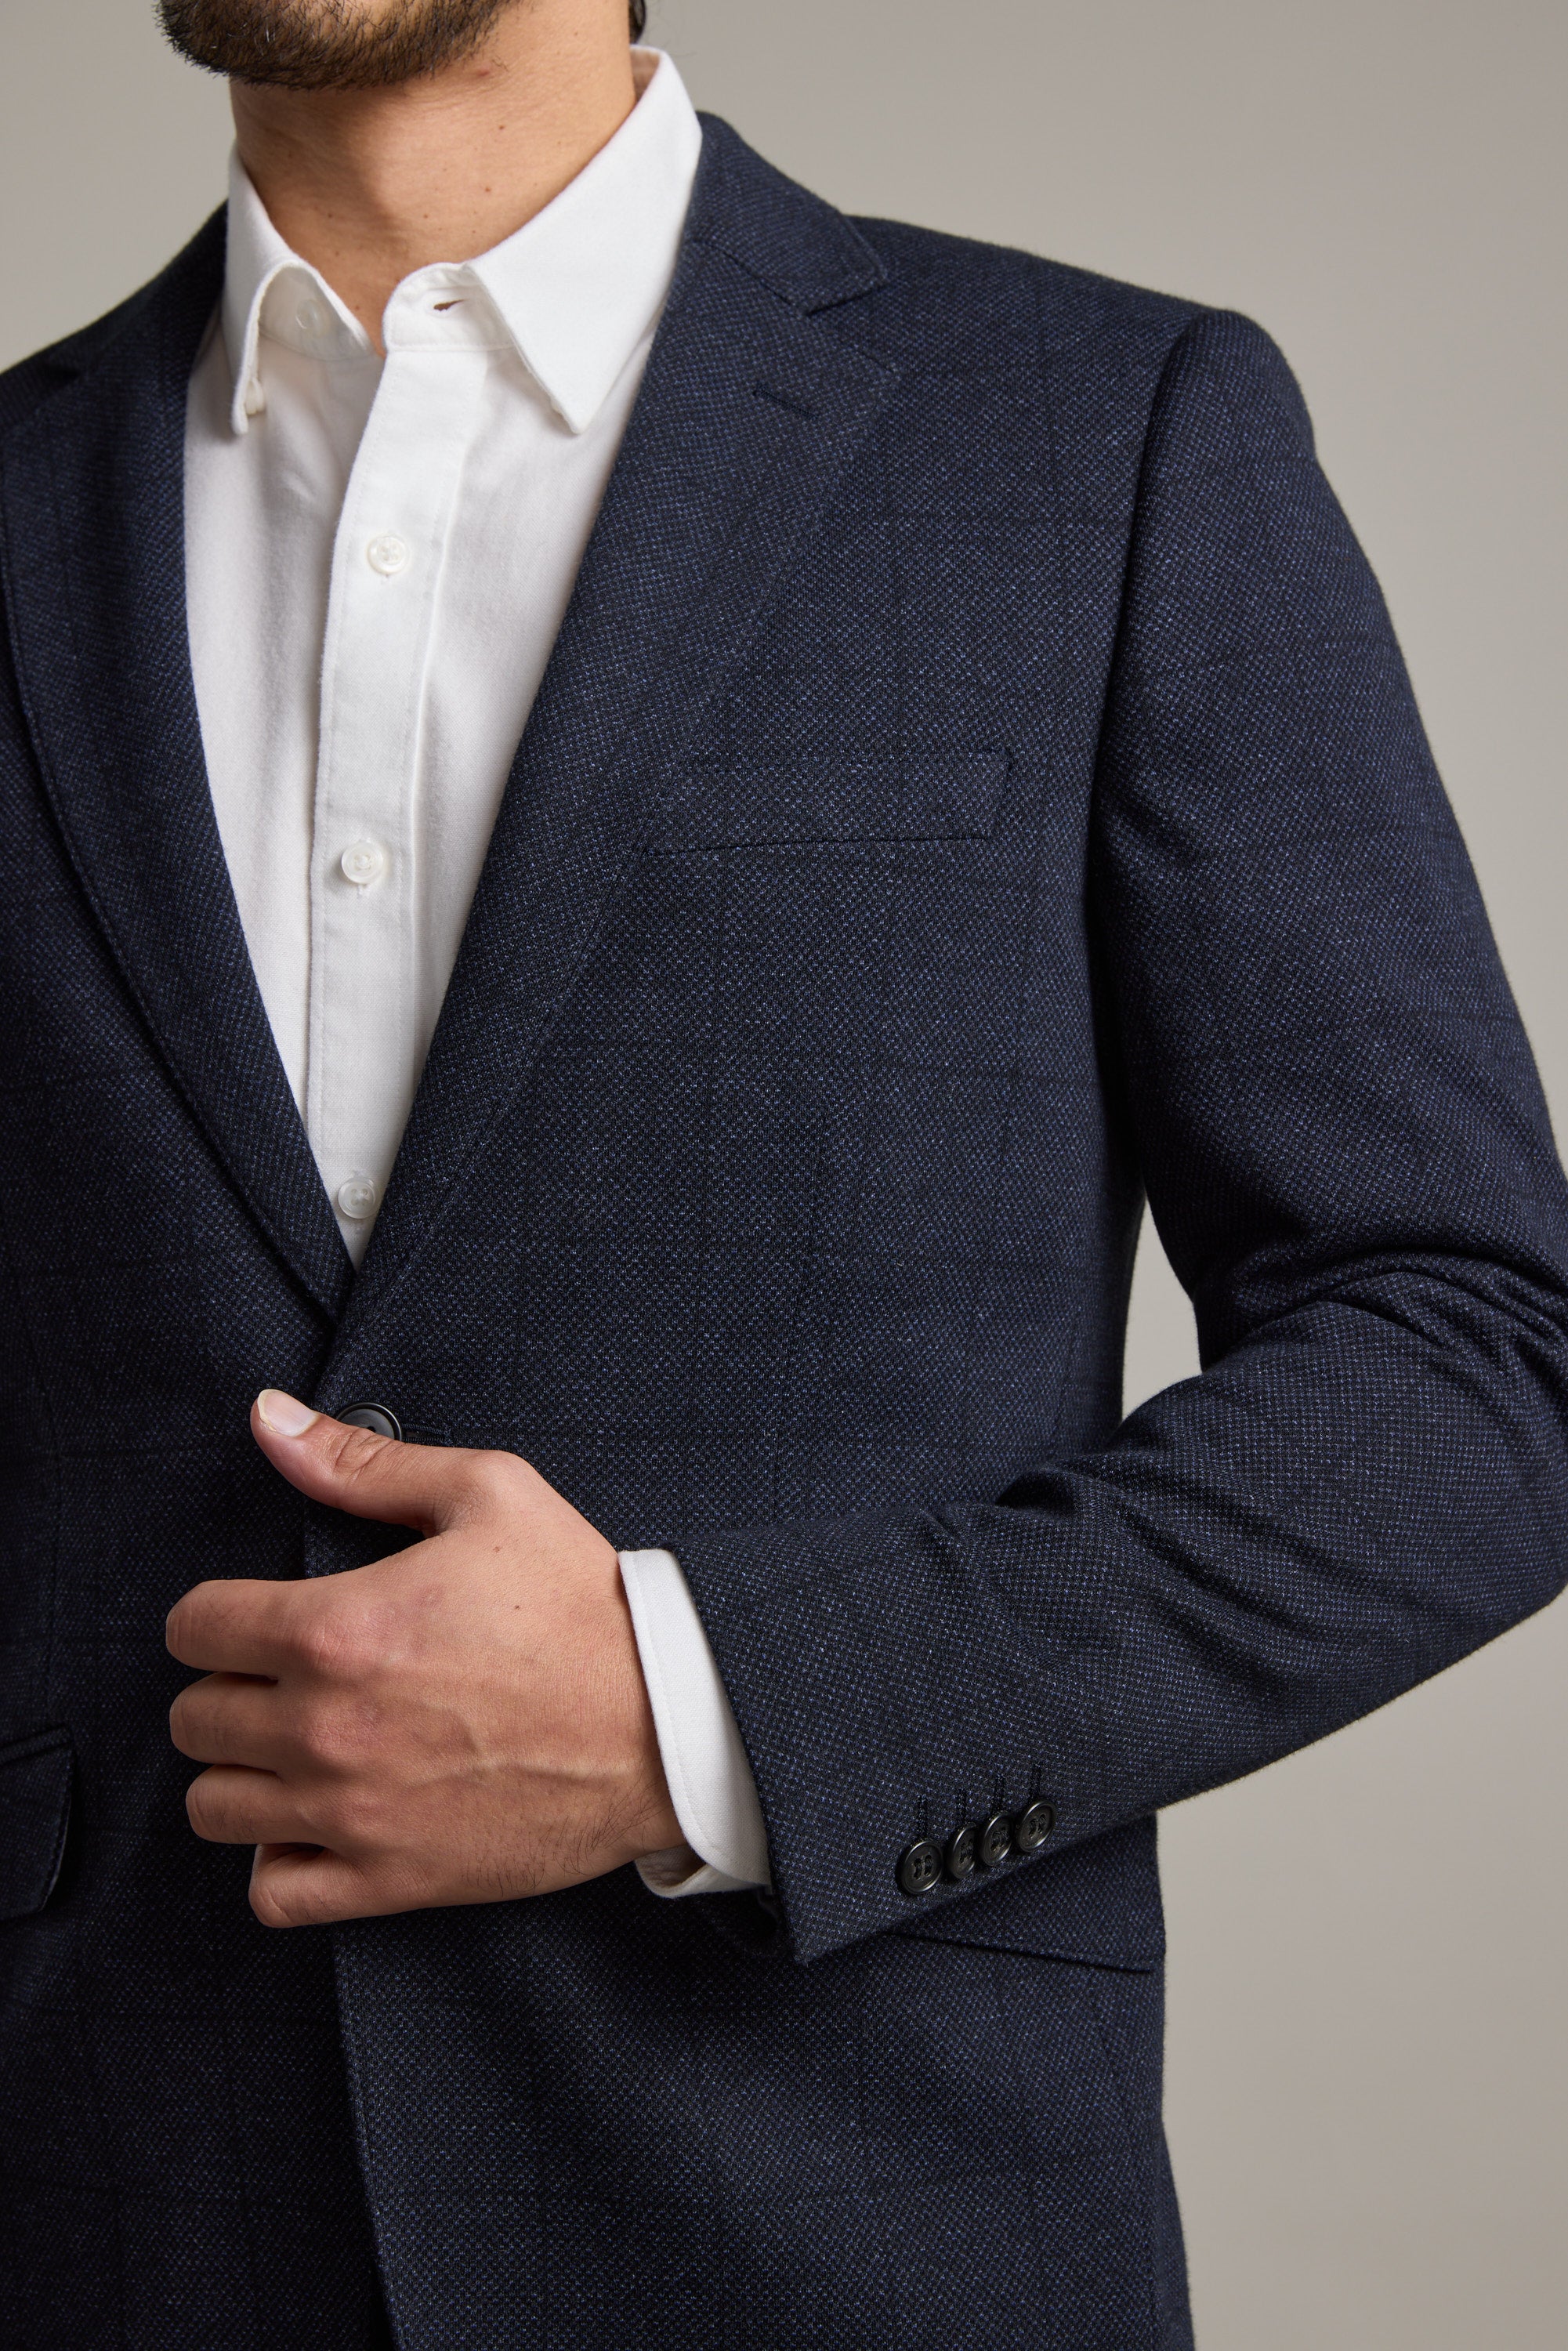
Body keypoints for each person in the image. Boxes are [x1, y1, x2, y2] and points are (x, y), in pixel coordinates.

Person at [2, 1, 1564, 2343]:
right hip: (103, 2215)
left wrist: (699, 1711)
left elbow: (1477, 1362)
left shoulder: (1099, 438)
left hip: (852, 2222)